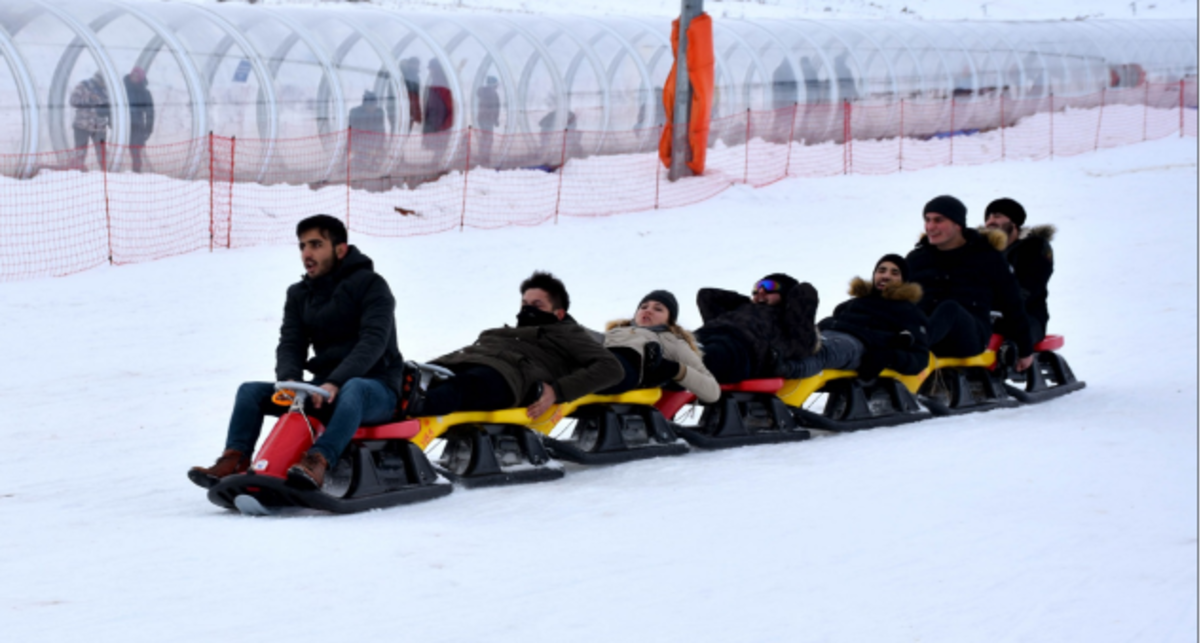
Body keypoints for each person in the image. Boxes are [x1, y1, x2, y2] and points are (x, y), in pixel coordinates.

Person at [190, 215, 406, 490]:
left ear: (340, 249)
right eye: (302, 246)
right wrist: (289, 379)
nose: (307, 254)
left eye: (316, 244)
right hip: (323, 389)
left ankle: (318, 461)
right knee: (250, 392)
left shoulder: (372, 285)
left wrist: (336, 381)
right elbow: (291, 343)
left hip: (375, 389)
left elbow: (373, 342)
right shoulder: (299, 294)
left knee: (354, 388)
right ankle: (235, 460)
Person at [403, 272, 623, 420]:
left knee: (460, 386)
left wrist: (556, 391)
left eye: (537, 305)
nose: (528, 309)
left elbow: (611, 368)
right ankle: (395, 402)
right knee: (409, 374)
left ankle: (409, 407)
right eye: (525, 303)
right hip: (470, 361)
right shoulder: (508, 333)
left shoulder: (568, 333)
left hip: (510, 377)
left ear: (559, 313)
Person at [906, 195, 1034, 373]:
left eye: (938, 220)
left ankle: (911, 346)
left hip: (968, 336)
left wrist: (1025, 349)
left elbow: (1012, 303)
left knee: (949, 308)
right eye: (927, 220)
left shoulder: (986, 257)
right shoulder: (916, 258)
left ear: (958, 224)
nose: (930, 226)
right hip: (926, 331)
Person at [774, 255, 930, 381]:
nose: (886, 276)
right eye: (881, 270)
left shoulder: (910, 312)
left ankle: (778, 368)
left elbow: (920, 358)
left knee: (821, 352)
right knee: (786, 345)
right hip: (826, 334)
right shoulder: (853, 303)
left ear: (904, 280)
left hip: (858, 344)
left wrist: (888, 357)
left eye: (894, 273)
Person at [693, 273, 820, 384]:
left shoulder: (790, 324)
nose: (761, 291)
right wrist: (752, 302)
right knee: (681, 346)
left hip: (740, 348)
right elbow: (706, 295)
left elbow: (805, 291)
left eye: (770, 286)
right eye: (757, 287)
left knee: (695, 360)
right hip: (708, 334)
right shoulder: (742, 308)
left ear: (787, 294)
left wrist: (788, 299)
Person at [601, 290, 721, 403]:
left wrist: (676, 370)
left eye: (658, 309)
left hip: (626, 368)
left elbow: (712, 392)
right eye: (643, 307)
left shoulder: (672, 342)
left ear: (669, 320)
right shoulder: (613, 333)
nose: (648, 311)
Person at [983, 197, 1054, 344]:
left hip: (1025, 317)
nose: (990, 221)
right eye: (988, 218)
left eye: (997, 216)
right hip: (983, 316)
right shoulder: (978, 252)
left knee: (1012, 337)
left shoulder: (1033, 247)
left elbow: (1029, 286)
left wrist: (998, 307)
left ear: (1014, 223)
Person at [70, 71, 110, 169]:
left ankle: (106, 173)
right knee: (80, 152)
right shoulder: (84, 86)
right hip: (82, 125)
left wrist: (109, 116)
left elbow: (110, 106)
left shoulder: (107, 90)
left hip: (99, 127)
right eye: (103, 81)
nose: (104, 83)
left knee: (102, 153)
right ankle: (78, 171)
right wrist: (89, 100)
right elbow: (73, 101)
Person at [348, 90, 387, 178]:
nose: (372, 107)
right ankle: (359, 164)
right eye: (370, 105)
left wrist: (381, 146)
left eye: (374, 105)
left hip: (374, 142)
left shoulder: (379, 112)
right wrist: (353, 147)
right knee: (361, 161)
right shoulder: (355, 113)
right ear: (364, 104)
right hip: (360, 142)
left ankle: (371, 164)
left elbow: (381, 130)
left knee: (378, 160)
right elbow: (352, 132)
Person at [123, 67, 154, 173]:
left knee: (135, 150)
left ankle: (136, 171)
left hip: (137, 125)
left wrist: (148, 128)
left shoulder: (144, 93)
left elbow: (150, 112)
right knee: (118, 146)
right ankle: (113, 171)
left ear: (141, 78)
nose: (134, 78)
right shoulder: (123, 89)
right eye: (133, 75)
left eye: (137, 76)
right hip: (124, 124)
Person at [422, 58, 454, 149]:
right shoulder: (437, 80)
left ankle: (437, 154)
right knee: (438, 143)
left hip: (439, 117)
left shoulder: (439, 81)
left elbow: (443, 103)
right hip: (437, 117)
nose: (430, 71)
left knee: (439, 143)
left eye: (431, 68)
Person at [475, 76, 501, 168]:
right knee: (489, 139)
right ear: (493, 85)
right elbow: (496, 108)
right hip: (488, 119)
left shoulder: (482, 92)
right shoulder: (494, 94)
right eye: (496, 84)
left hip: (481, 118)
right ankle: (486, 158)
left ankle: (481, 156)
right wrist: (495, 120)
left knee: (484, 137)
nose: (497, 86)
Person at [400, 58, 423, 133]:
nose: (416, 67)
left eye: (417, 65)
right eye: (414, 64)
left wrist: (417, 114)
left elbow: (416, 98)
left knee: (407, 130)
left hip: (410, 109)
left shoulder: (416, 77)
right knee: (402, 129)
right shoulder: (403, 75)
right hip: (403, 107)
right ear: (409, 64)